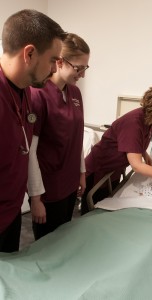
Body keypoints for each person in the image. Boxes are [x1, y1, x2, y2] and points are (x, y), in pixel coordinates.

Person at [0, 9, 66, 252]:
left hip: (11, 215)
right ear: (29, 53)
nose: (54, 69)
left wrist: (33, 197)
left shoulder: (25, 91)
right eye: (52, 60)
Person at [81, 84, 152, 215]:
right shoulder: (134, 122)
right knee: (91, 215)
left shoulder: (148, 120)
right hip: (97, 171)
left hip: (112, 172)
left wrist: (143, 153)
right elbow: (137, 166)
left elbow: (133, 142)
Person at [27, 33, 90, 240]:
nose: (82, 74)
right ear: (60, 62)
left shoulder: (75, 93)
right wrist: (36, 199)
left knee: (64, 240)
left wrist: (81, 172)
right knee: (46, 246)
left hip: (70, 184)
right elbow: (31, 152)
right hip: (49, 188)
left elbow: (77, 137)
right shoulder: (37, 95)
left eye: (85, 68)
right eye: (78, 68)